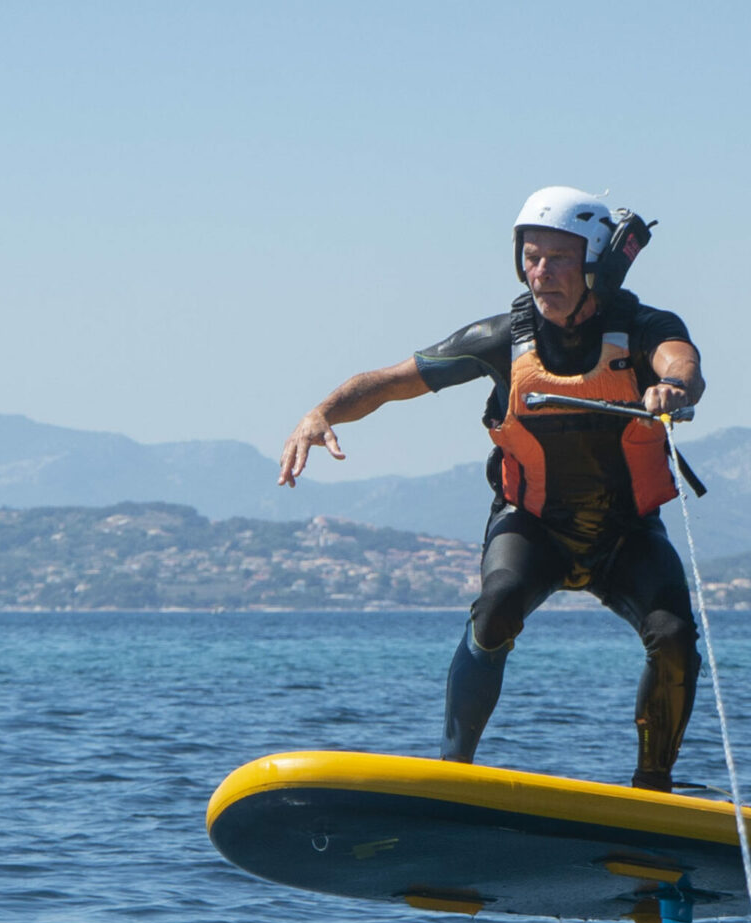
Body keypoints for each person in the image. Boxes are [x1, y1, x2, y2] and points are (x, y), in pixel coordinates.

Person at [278, 186, 705, 791]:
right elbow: (391, 381)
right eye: (531, 256)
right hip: (532, 527)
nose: (541, 272)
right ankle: (454, 779)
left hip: (625, 533)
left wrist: (674, 390)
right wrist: (320, 413)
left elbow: (680, 360)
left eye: (559, 258)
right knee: (497, 606)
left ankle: (654, 789)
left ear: (597, 266)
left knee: (675, 635)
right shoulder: (500, 340)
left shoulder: (643, 328)